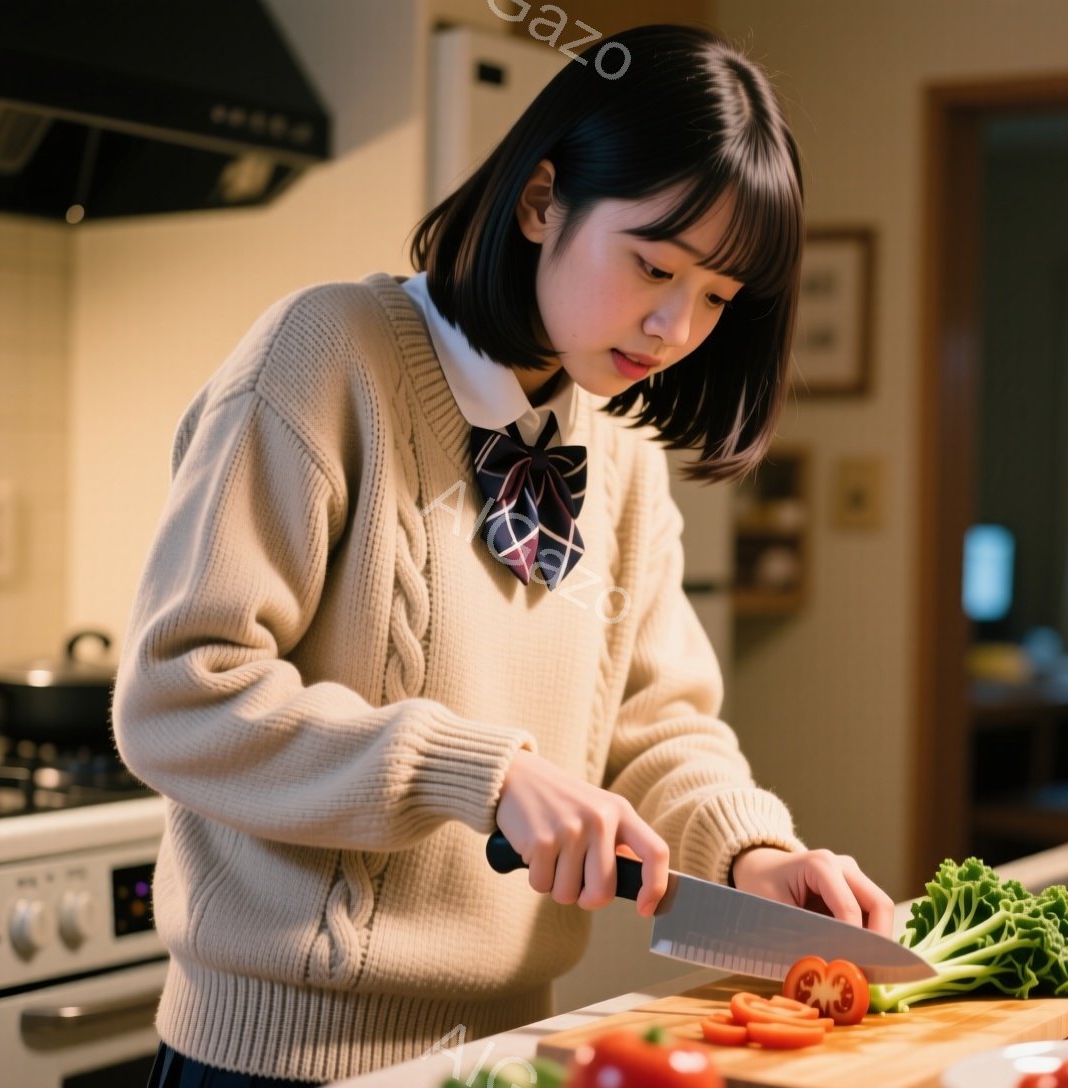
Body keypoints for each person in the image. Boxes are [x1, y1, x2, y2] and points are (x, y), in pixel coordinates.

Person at [115, 23, 897, 1088]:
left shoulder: (618, 452)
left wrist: (751, 852)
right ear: (540, 202)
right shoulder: (324, 355)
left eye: (717, 296)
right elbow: (178, 694)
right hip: (274, 1059)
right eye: (654, 265)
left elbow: (657, 725)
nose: (675, 326)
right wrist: (482, 774)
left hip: (503, 1053)